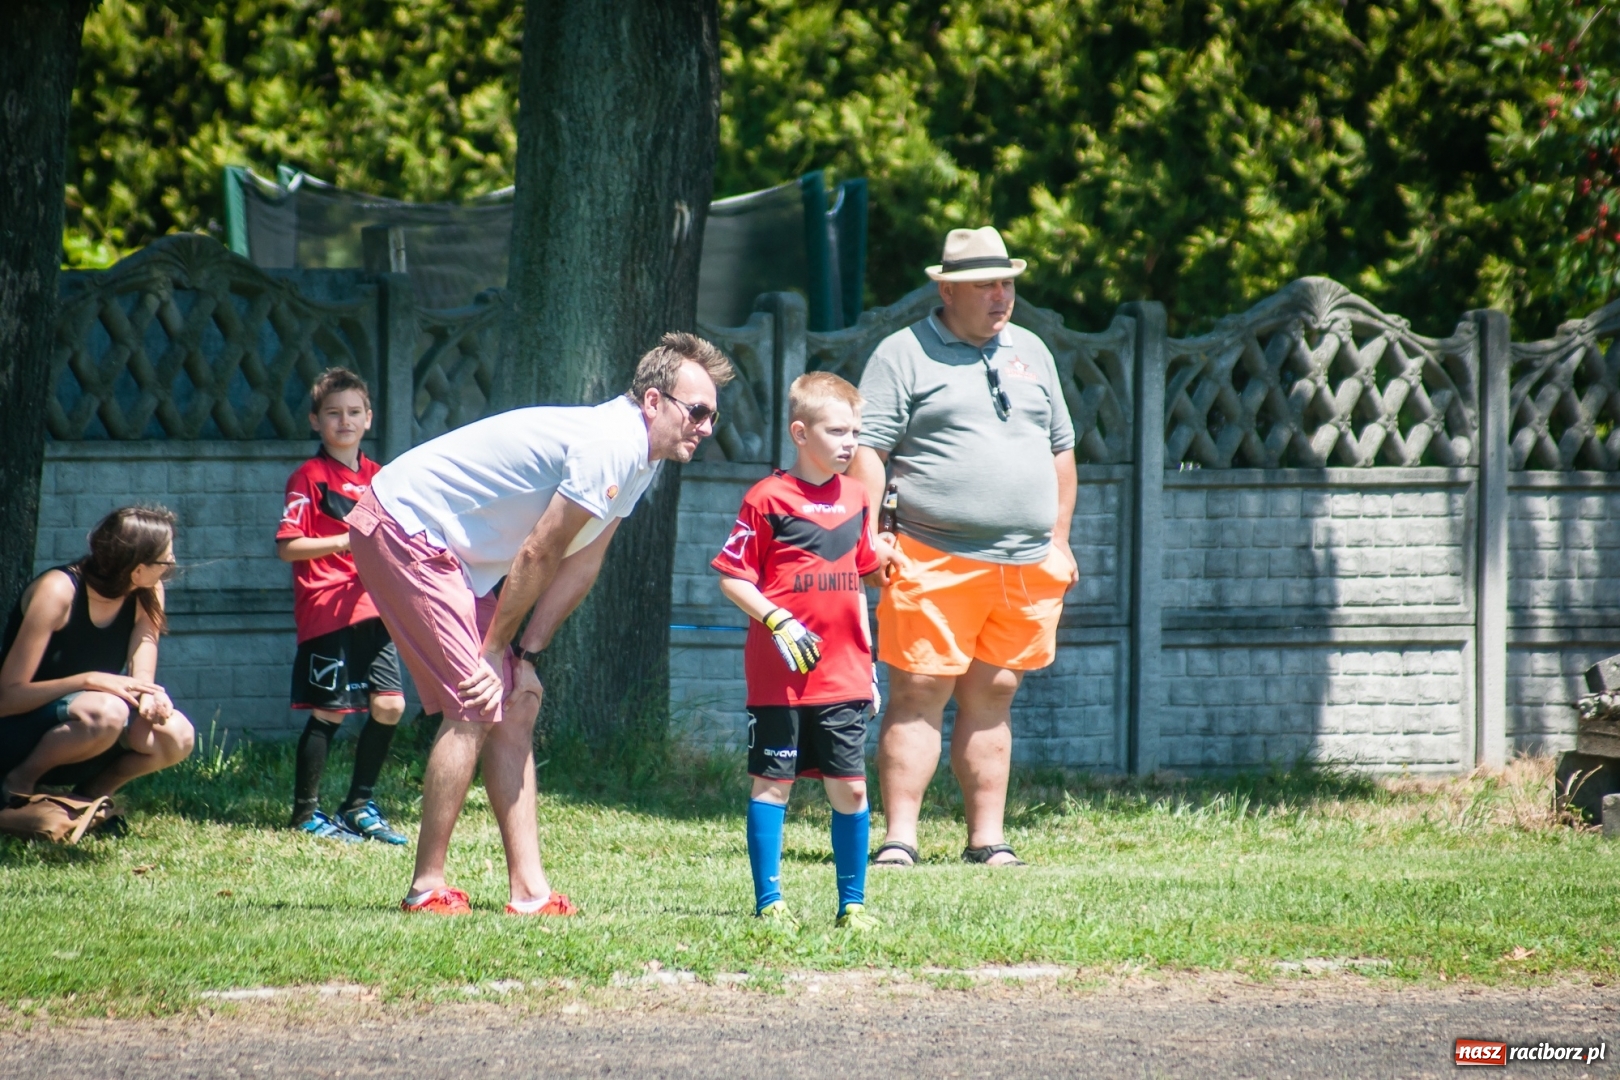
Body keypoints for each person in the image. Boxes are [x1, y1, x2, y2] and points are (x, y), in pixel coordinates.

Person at [347, 332, 733, 916]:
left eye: (712, 415)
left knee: (517, 701)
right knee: (474, 699)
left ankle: (529, 892)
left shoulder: (642, 461)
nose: (706, 426)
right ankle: (427, 888)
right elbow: (536, 554)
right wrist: (491, 650)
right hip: (404, 524)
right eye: (697, 411)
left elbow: (584, 562)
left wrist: (524, 656)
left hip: (453, 555)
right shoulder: (612, 443)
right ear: (653, 401)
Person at [848, 226, 1079, 868]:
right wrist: (868, 538)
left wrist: (1059, 542)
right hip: (930, 552)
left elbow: (1060, 449)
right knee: (919, 690)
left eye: (1006, 283)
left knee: (995, 693)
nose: (1001, 295)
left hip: (1026, 564)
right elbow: (869, 450)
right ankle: (900, 839)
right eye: (985, 285)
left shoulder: (1031, 349)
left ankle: (988, 840)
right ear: (947, 289)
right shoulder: (903, 352)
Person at [712, 373, 882, 931]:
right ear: (800, 433)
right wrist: (777, 618)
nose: (849, 443)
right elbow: (733, 580)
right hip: (780, 674)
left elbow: (857, 584)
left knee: (851, 786)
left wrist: (870, 666)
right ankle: (769, 903)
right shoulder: (766, 498)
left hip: (844, 673)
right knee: (773, 784)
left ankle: (852, 906)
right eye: (837, 431)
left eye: (855, 432)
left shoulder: (858, 497)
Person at [276, 368, 408, 844]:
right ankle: (305, 816)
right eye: (333, 413)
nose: (344, 420)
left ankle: (358, 806)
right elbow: (288, 546)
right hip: (327, 607)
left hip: (377, 609)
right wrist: (346, 539)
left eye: (354, 412)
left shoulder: (381, 478)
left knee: (390, 705)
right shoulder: (307, 477)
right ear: (316, 421)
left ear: (369, 418)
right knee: (329, 711)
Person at [0, 506, 196, 806]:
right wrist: (89, 680)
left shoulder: (147, 589)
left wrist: (148, 694)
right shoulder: (58, 591)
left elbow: (144, 650)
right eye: (165, 561)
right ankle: (18, 784)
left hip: (90, 731)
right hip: (22, 731)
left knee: (178, 735)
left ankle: (92, 796)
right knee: (108, 711)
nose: (171, 565)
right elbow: (7, 699)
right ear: (137, 569)